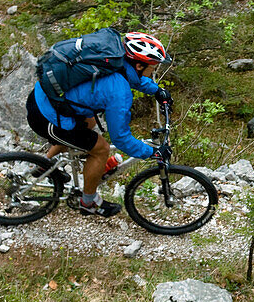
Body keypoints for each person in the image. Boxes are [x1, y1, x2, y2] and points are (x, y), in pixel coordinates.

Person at [25, 31, 173, 216]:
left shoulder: (115, 60)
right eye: (153, 67)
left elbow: (131, 76)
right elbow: (121, 139)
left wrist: (156, 90)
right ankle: (88, 203)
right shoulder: (120, 93)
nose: (154, 70)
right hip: (46, 116)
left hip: (45, 98)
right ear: (139, 64)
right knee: (101, 149)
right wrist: (153, 152)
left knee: (89, 121)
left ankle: (44, 165)